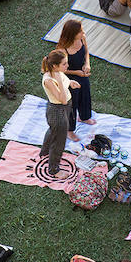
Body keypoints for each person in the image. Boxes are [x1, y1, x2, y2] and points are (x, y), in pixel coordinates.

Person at [40, 49, 80, 179]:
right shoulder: (49, 80)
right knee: (59, 142)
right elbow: (62, 100)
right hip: (57, 110)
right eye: (64, 64)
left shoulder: (58, 72)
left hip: (64, 108)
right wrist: (61, 83)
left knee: (53, 130)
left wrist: (69, 82)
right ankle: (53, 170)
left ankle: (44, 151)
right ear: (54, 66)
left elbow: (64, 79)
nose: (67, 66)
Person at [55, 19, 96, 143]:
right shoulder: (63, 50)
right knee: (72, 104)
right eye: (80, 31)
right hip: (69, 78)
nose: (83, 32)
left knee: (85, 96)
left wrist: (87, 64)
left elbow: (86, 52)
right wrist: (76, 73)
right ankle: (69, 130)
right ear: (72, 33)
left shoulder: (82, 38)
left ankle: (84, 117)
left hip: (82, 74)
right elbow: (59, 70)